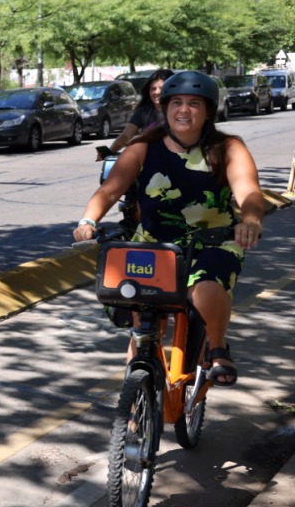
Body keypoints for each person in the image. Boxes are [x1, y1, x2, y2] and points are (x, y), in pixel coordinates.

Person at [73, 70, 263, 385]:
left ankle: (217, 347)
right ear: (166, 108)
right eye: (176, 103)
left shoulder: (228, 147)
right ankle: (135, 406)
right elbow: (109, 191)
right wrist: (88, 221)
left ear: (208, 112)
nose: (183, 110)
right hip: (153, 243)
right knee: (139, 318)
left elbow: (250, 193)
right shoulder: (143, 146)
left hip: (213, 240)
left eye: (193, 104)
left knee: (206, 287)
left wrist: (251, 220)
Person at [96, 67, 175, 161]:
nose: (156, 92)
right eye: (153, 89)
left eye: (161, 88)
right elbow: (126, 135)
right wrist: (109, 152)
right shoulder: (143, 112)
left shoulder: (180, 111)